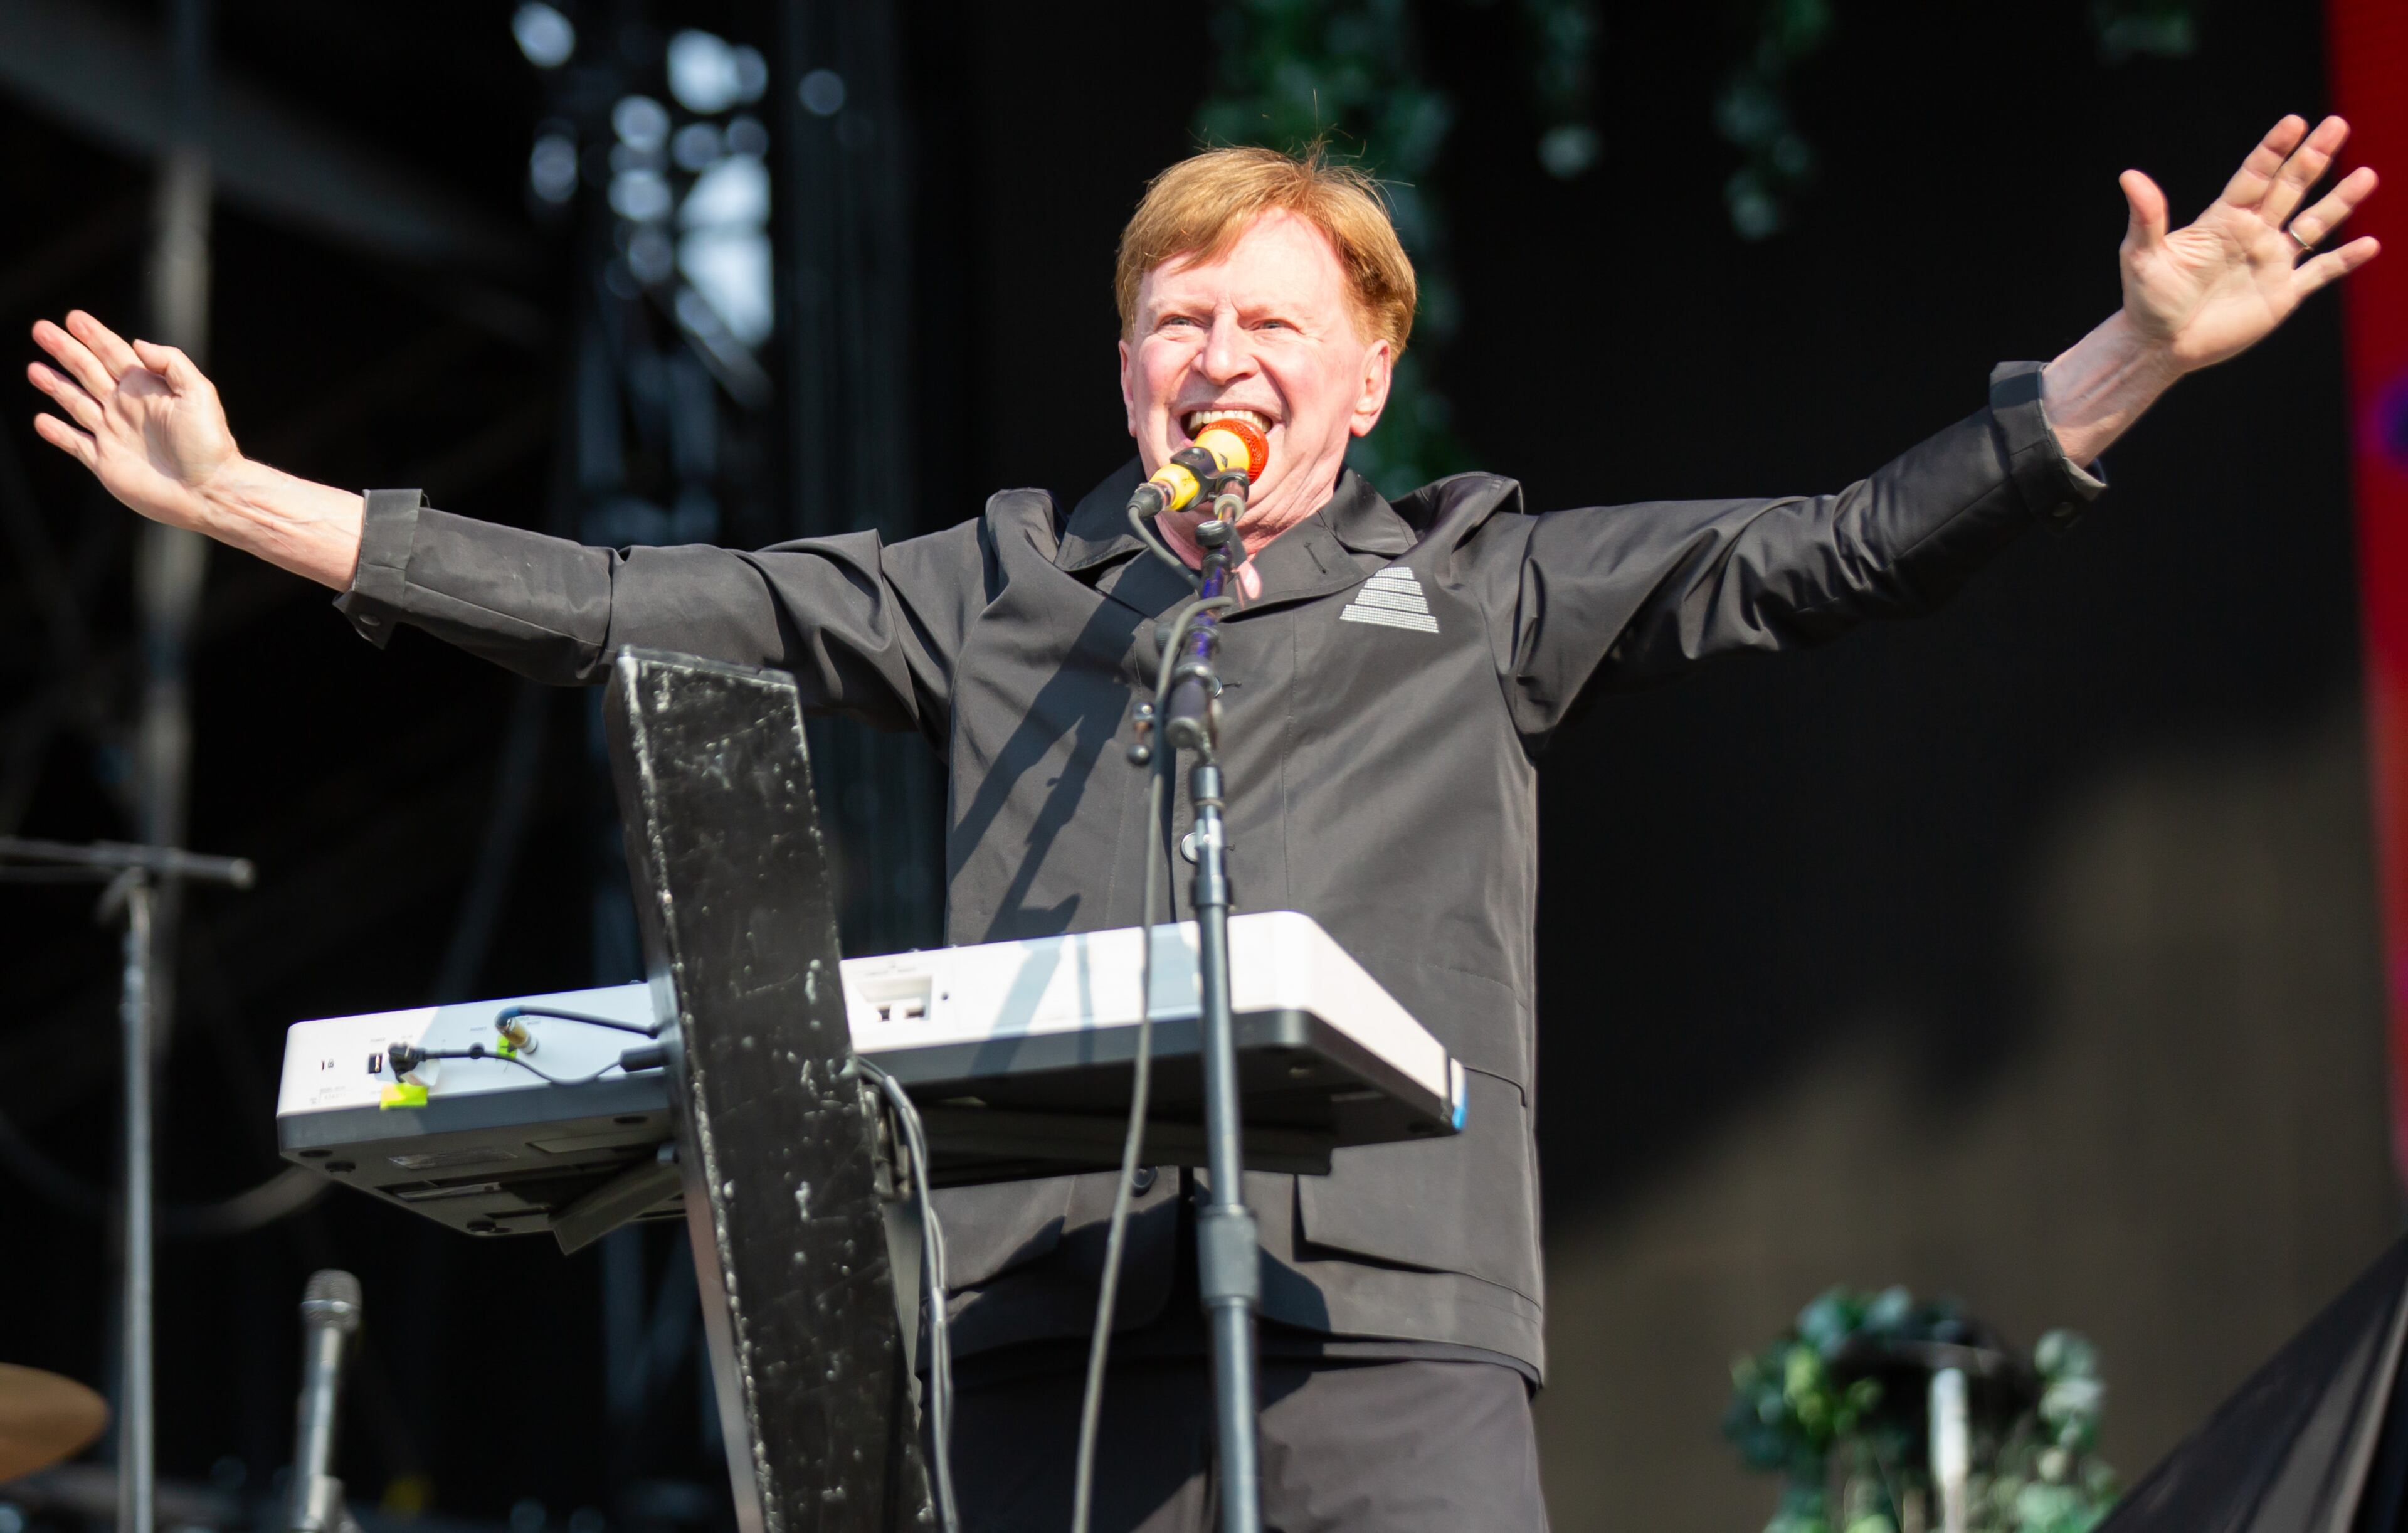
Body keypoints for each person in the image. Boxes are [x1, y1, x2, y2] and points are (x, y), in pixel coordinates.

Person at [23, 119, 2380, 1532]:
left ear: (1362, 372)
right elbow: (649, 602)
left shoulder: (1478, 582)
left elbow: (1833, 547)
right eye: (1172, 317)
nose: (1211, 354)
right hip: (1050, 1346)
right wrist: (259, 502)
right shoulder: (999, 592)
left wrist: (2136, 356)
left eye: (1264, 319)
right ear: (1127, 369)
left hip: (1389, 1343)